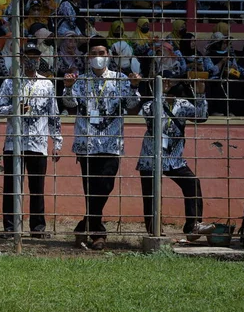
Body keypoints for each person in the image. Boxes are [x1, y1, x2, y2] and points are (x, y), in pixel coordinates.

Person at [62, 36, 142, 250]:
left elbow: (133, 105)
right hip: (86, 144)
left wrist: (134, 87)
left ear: (109, 56)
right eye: (94, 54)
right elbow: (70, 106)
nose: (98, 57)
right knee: (91, 189)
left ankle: (84, 225)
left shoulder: (121, 79)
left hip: (111, 143)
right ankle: (98, 233)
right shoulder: (79, 81)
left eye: (102, 53)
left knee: (105, 186)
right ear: (88, 57)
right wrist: (68, 87)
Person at [0, 42, 63, 238]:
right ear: (21, 59)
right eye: (27, 57)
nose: (31, 60)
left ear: (39, 59)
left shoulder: (47, 84)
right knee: (11, 187)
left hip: (38, 144)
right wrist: (14, 109)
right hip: (13, 143)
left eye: (35, 57)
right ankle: (10, 228)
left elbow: (54, 115)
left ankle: (37, 228)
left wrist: (57, 142)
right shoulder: (10, 82)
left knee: (37, 188)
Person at [137, 73, 214, 240]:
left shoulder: (183, 104)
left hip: (174, 158)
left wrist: (200, 93)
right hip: (150, 157)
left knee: (192, 183)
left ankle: (193, 226)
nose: (168, 86)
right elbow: (150, 117)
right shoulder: (151, 104)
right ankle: (154, 230)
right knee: (151, 194)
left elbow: (201, 116)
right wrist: (161, 96)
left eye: (170, 83)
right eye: (164, 83)